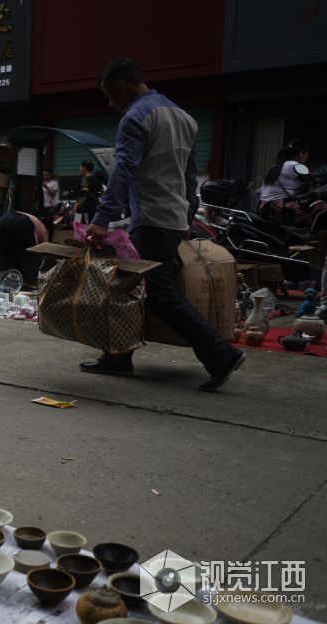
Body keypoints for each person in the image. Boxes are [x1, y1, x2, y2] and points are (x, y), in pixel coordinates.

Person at [83, 58, 244, 392]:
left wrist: (101, 219)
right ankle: (119, 355)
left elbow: (123, 170)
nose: (110, 105)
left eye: (109, 97)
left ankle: (220, 354)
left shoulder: (136, 117)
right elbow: (189, 175)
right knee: (128, 287)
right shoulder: (183, 117)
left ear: (120, 86)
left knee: (158, 294)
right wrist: (186, 217)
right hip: (171, 220)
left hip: (152, 219)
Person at [258, 139, 311, 224]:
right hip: (280, 212)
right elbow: (314, 183)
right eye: (307, 153)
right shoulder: (297, 167)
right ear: (301, 153)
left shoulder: (274, 167)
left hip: (264, 209)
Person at [0, 211, 49, 287]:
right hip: (21, 224)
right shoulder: (44, 232)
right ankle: (28, 284)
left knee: (3, 255)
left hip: (2, 220)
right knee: (28, 257)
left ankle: (0, 281)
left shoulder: (35, 221)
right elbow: (41, 252)